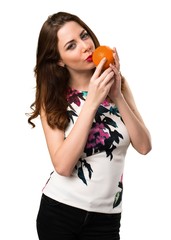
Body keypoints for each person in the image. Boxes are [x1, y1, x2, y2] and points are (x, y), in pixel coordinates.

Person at [28, 11, 152, 240]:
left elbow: (144, 146)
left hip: (107, 218)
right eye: (71, 45)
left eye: (85, 36)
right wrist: (92, 101)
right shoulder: (54, 97)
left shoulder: (119, 85)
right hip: (60, 213)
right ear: (59, 60)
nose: (86, 46)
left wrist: (116, 96)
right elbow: (63, 166)